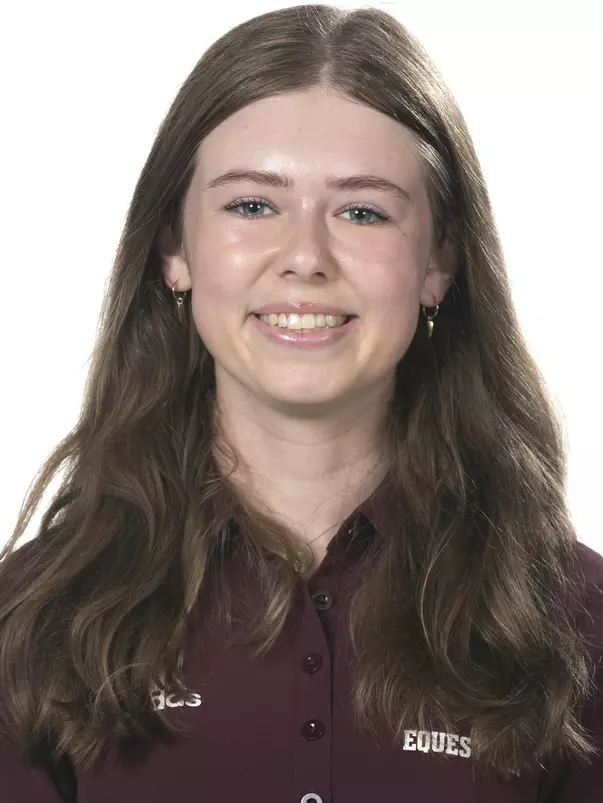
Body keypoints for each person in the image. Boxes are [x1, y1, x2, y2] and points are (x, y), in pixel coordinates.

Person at [0, 4, 601, 802]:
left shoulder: (574, 625)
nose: (306, 258)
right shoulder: (34, 618)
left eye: (363, 210)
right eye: (252, 205)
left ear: (439, 262)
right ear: (174, 251)